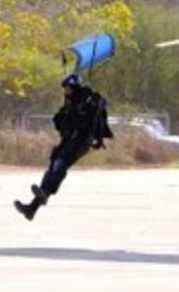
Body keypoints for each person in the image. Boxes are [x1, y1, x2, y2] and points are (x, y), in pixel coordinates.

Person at [14, 74, 113, 221]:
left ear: (75, 87)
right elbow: (59, 119)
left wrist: (95, 134)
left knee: (60, 165)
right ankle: (32, 207)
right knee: (54, 165)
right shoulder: (70, 103)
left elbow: (96, 119)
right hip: (70, 139)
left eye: (67, 88)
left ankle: (44, 194)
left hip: (82, 141)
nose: (65, 91)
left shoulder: (90, 100)